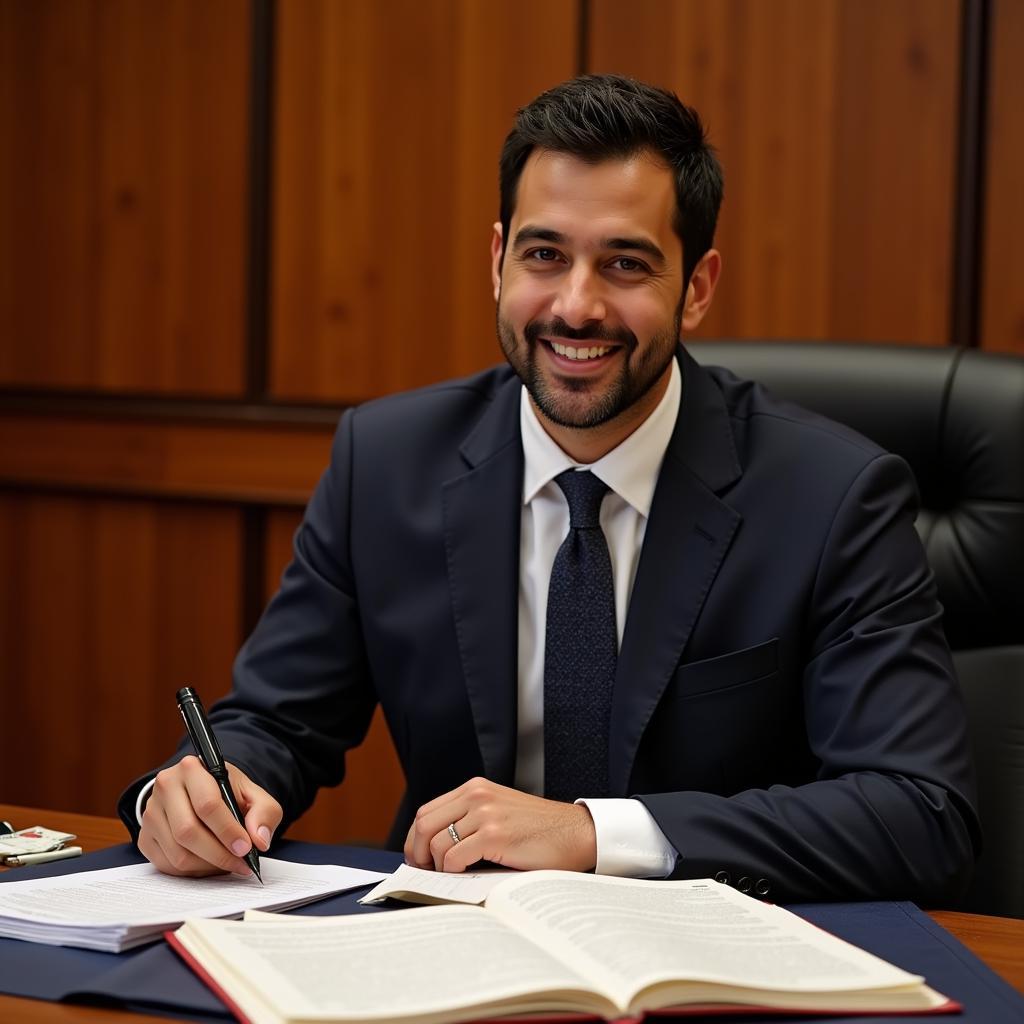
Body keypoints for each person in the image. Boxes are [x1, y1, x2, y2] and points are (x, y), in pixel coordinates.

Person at [119, 74, 979, 904]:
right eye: (544, 254)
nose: (576, 305)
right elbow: (274, 723)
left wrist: (594, 834)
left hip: (712, 962)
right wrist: (199, 791)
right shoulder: (385, 463)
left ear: (699, 288)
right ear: (498, 261)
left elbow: (919, 812)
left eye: (626, 265)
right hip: (449, 946)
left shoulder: (833, 498)